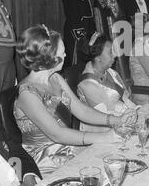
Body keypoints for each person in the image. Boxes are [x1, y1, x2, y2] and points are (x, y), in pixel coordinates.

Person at [14, 25, 137, 176]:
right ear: (48, 56)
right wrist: (105, 137)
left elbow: (81, 110)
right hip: (46, 161)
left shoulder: (55, 78)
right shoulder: (26, 93)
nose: (66, 56)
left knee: (119, 164)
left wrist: (116, 120)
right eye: (62, 52)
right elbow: (57, 134)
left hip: (68, 149)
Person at [76, 32, 139, 128]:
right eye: (110, 52)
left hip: (124, 118)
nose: (115, 55)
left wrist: (134, 110)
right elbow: (104, 116)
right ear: (98, 58)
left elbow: (125, 98)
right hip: (102, 129)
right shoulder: (87, 84)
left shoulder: (110, 72)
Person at [60, 0, 96, 68]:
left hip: (84, 28)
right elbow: (71, 12)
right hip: (76, 29)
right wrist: (80, 33)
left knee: (83, 60)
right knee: (74, 61)